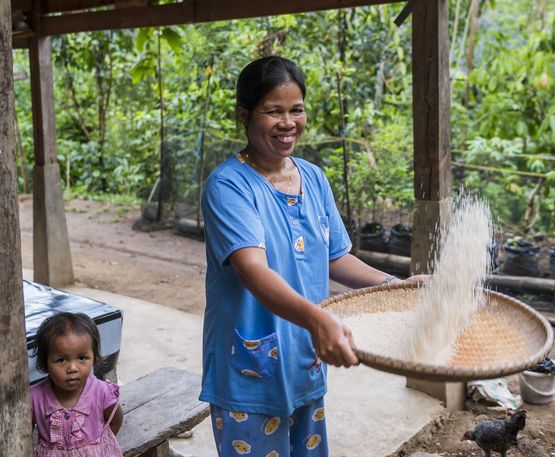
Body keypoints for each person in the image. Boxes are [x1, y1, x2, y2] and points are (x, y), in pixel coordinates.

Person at [200, 56, 426, 457]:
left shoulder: (314, 178)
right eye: (273, 111)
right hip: (249, 371)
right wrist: (321, 319)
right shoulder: (228, 186)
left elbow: (335, 258)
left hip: (304, 361)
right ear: (243, 115)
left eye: (296, 109)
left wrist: (395, 286)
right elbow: (252, 269)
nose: (288, 123)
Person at [30, 312, 124, 457]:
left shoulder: (101, 391)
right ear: (45, 363)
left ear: (94, 357)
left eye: (82, 358)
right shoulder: (34, 398)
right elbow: (22, 435)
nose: (73, 368)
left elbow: (115, 421)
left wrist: (103, 445)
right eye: (61, 360)